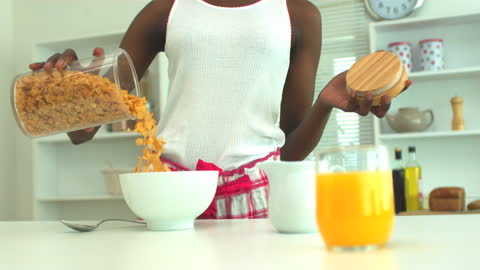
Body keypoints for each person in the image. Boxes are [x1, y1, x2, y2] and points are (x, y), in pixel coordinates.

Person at [29, 0, 411, 219]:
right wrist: (66, 87)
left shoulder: (299, 14)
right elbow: (82, 132)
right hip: (170, 196)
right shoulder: (166, 10)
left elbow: (289, 151)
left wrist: (325, 104)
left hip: (258, 199)